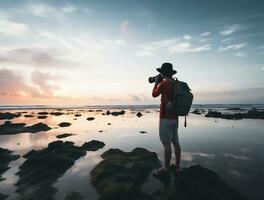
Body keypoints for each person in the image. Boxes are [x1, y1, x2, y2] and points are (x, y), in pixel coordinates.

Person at [152, 62, 181, 176]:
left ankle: (166, 169)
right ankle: (177, 165)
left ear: (163, 73)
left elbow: (154, 94)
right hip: (175, 118)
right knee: (176, 142)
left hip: (165, 118)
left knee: (166, 143)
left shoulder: (164, 84)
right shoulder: (176, 84)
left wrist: (156, 83)